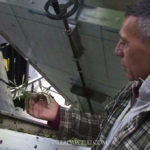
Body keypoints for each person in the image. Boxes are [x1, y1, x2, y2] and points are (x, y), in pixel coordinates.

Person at [28, 0, 150, 149]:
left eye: (125, 42)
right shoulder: (134, 90)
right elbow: (106, 129)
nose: (117, 51)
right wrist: (59, 115)